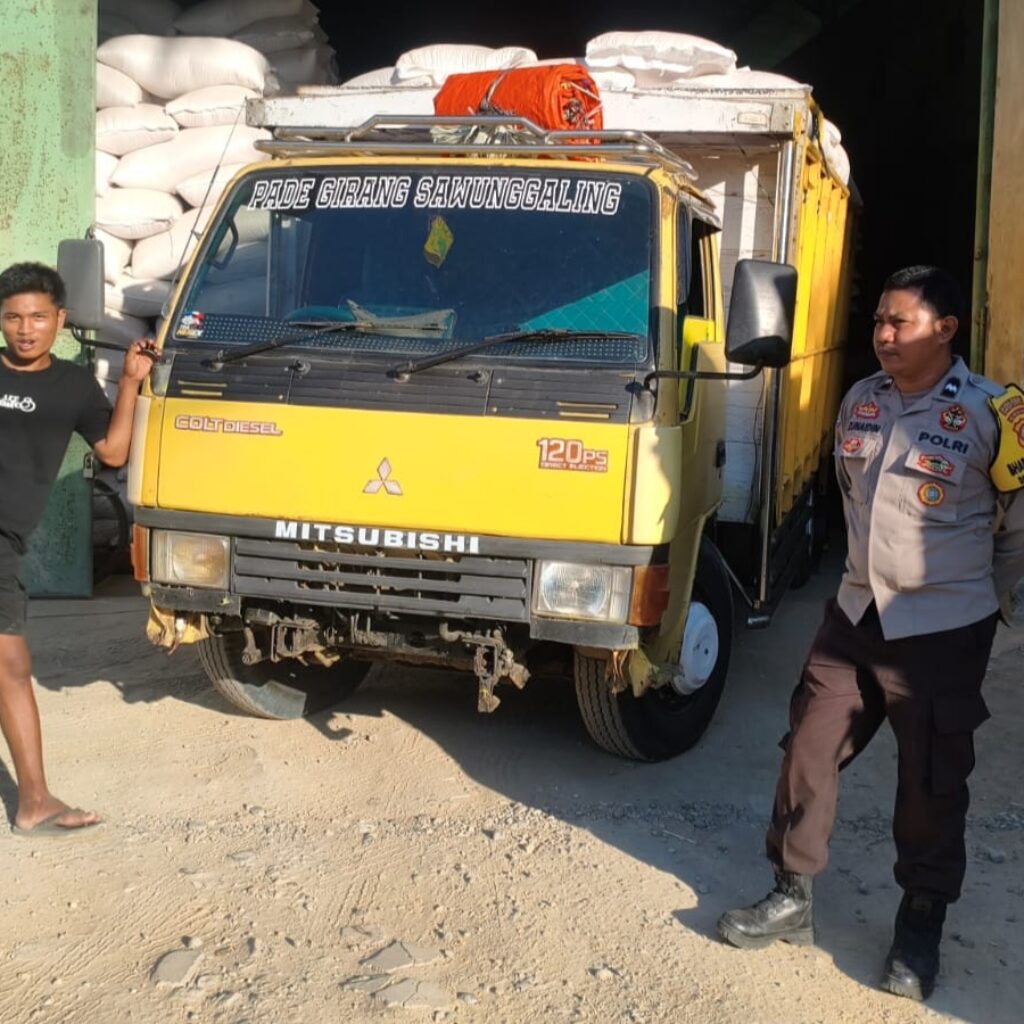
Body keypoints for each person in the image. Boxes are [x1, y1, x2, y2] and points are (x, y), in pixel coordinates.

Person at [717, 266, 1024, 1001]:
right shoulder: (861, 399)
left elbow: (1018, 530)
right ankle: (791, 893)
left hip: (944, 630)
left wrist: (987, 605)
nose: (883, 334)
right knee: (807, 749)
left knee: (930, 782)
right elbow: (853, 497)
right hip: (855, 615)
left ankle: (919, 926)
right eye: (879, 321)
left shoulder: (993, 413)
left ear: (945, 330)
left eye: (899, 323)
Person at [0, 261, 156, 836]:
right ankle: (35, 800)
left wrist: (131, 381)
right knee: (11, 667)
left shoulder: (72, 386)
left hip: (6, 542)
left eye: (38, 317)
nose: (25, 329)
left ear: (60, 319)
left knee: (10, 668)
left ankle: (35, 800)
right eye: (13, 317)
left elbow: (113, 452)